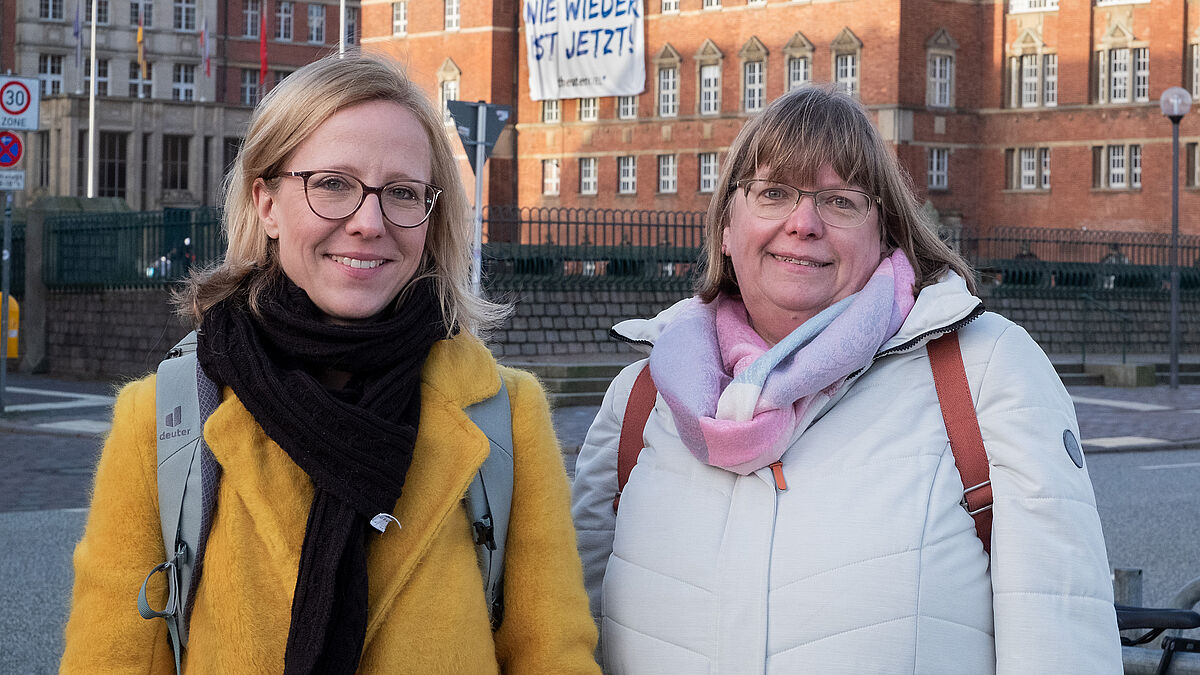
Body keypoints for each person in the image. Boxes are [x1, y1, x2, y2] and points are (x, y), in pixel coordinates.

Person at [62, 53, 599, 674]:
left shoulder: (503, 415)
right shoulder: (163, 420)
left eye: (401, 192)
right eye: (333, 184)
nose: (368, 222)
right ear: (266, 203)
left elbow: (553, 656)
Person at [572, 85, 1121, 673]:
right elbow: (573, 636)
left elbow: (1060, 633)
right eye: (773, 193)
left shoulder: (986, 374)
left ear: (883, 232)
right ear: (726, 228)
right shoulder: (640, 397)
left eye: (839, 202)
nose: (803, 223)